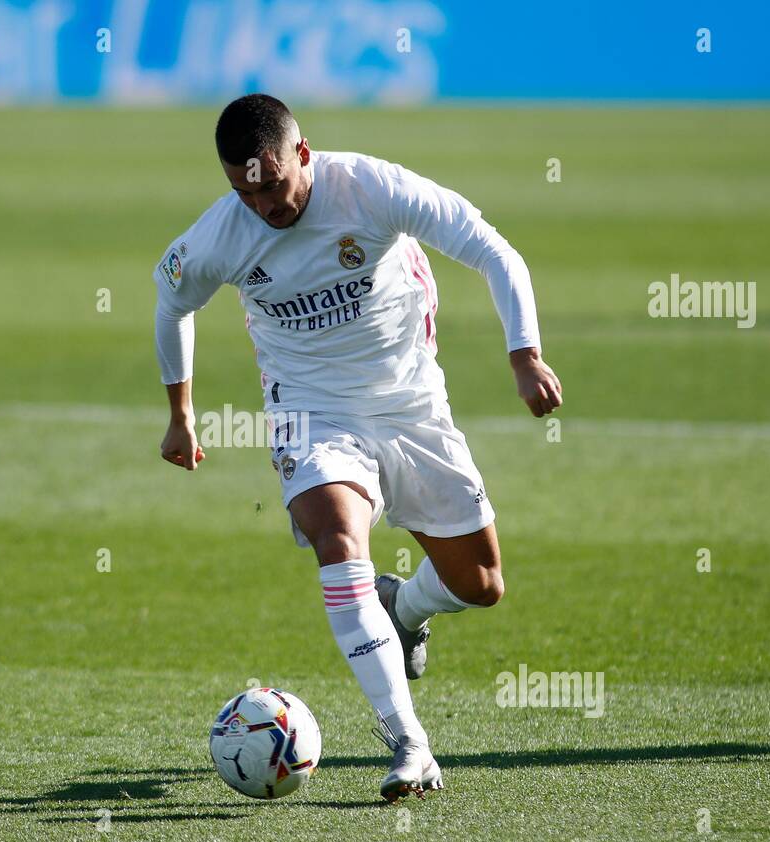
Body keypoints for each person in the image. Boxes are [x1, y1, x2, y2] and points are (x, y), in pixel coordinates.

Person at [154, 94, 562, 801]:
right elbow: (171, 305)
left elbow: (494, 250)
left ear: (302, 155)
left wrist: (523, 354)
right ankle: (411, 746)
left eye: (272, 184)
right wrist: (180, 413)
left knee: (481, 585)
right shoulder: (223, 233)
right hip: (312, 414)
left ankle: (404, 609)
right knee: (339, 543)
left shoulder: (370, 189)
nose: (262, 205)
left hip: (412, 407)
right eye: (243, 191)